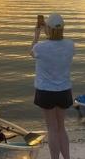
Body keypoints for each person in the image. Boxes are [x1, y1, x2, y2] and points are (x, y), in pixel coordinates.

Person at [30, 14, 74, 159]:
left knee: (52, 128)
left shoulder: (40, 47)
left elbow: (32, 52)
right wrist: (48, 30)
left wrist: (37, 34)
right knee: (61, 127)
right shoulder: (70, 45)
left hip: (46, 92)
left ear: (47, 28)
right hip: (64, 91)